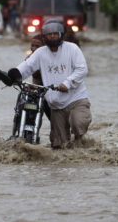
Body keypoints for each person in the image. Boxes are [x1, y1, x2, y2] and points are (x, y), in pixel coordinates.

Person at [9, 21, 92, 149]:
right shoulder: (41, 52)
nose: (52, 36)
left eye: (55, 33)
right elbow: (28, 66)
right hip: (56, 105)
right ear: (44, 36)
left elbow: (82, 69)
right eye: (49, 34)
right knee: (59, 146)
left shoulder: (72, 48)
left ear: (61, 34)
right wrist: (15, 74)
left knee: (77, 123)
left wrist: (67, 83)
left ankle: (80, 143)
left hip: (76, 99)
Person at [26, 34, 51, 120]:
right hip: (38, 91)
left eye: (37, 46)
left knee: (54, 119)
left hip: (50, 91)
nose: (33, 48)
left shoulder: (50, 60)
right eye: (32, 45)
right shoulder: (29, 59)